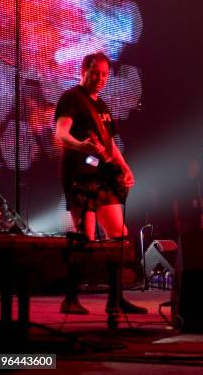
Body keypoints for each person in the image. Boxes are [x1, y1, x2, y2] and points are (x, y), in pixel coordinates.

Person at [54, 52, 146, 315]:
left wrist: (125, 167)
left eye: (105, 74)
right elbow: (61, 133)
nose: (100, 78)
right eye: (95, 72)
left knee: (119, 235)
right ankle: (70, 299)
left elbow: (110, 145)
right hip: (79, 176)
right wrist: (80, 145)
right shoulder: (71, 98)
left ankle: (115, 300)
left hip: (103, 177)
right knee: (85, 238)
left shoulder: (102, 106)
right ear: (83, 70)